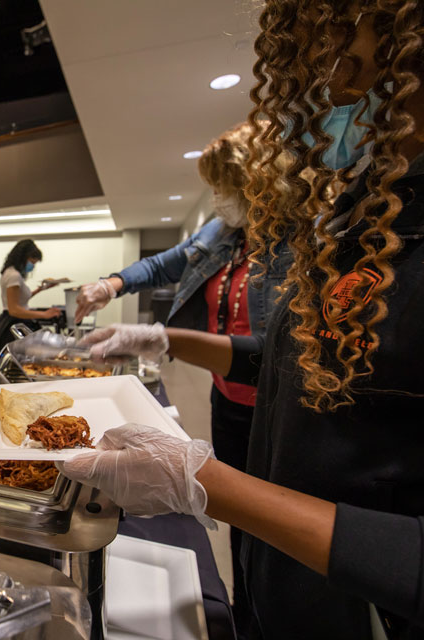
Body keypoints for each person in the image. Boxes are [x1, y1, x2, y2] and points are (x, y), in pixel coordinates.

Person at [63, 2, 424, 638]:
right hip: (290, 586)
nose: (323, 88)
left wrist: (207, 485)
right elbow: (306, 363)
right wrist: (167, 337)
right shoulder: (370, 215)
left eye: (338, 58)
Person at [74, 122, 290, 633]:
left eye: (226, 186)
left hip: (274, 406)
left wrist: (167, 338)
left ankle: (261, 614)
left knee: (272, 527)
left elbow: (278, 354)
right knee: (240, 520)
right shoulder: (223, 237)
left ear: (260, 181)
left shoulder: (295, 245)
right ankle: (242, 609)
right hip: (227, 395)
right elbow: (163, 265)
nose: (219, 199)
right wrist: (111, 284)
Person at [0, 239, 62, 357]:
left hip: (10, 319)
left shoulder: (9, 272)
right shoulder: (14, 276)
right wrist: (45, 314)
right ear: (23, 257)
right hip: (14, 322)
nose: (32, 266)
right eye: (32, 262)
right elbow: (14, 309)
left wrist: (41, 289)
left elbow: (21, 300)